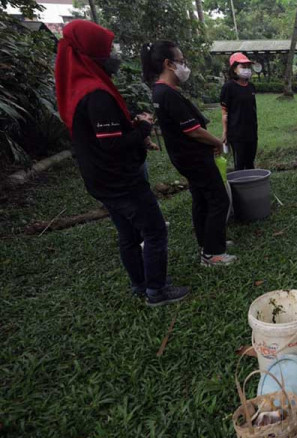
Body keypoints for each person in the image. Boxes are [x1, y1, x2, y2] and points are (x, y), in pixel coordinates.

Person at [54, 20, 189, 306]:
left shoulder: (81, 89)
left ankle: (140, 285)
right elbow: (111, 143)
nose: (114, 56)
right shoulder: (96, 94)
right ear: (93, 55)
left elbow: (105, 135)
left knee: (128, 233)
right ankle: (158, 291)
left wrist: (133, 130)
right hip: (120, 180)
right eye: (109, 51)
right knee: (154, 230)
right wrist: (142, 129)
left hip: (100, 180)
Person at [141, 41, 237, 266]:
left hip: (184, 157)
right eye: (181, 61)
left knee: (202, 199)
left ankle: (207, 244)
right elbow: (193, 131)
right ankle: (213, 254)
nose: (185, 66)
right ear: (168, 64)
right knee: (218, 200)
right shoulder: (167, 94)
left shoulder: (162, 91)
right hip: (193, 157)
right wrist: (217, 142)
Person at [221, 52, 258, 170]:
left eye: (248, 67)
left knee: (250, 162)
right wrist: (225, 132)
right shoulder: (228, 87)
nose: (246, 69)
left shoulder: (251, 87)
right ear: (234, 69)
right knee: (240, 163)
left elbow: (253, 108)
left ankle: (252, 186)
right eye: (243, 67)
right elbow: (224, 111)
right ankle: (240, 187)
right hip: (236, 133)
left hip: (251, 131)